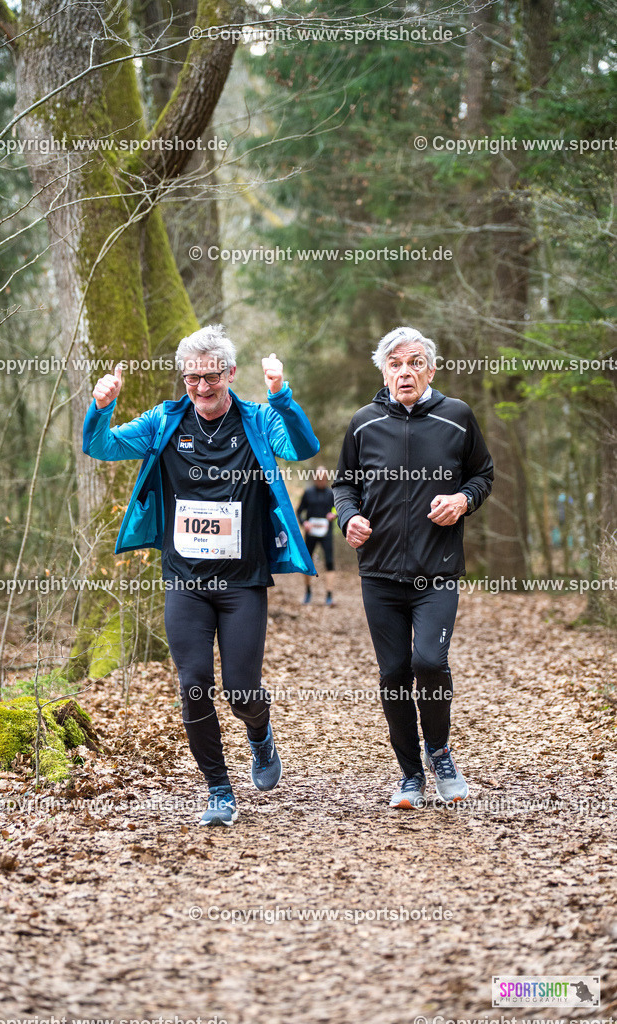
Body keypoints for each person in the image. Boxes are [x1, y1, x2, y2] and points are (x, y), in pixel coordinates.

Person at [83, 325, 319, 826]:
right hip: (186, 581)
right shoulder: (164, 422)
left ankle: (260, 734)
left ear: (230, 374)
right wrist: (101, 407)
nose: (201, 387)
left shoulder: (257, 419)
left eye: (211, 376)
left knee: (241, 689)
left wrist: (282, 396)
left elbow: (302, 447)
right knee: (193, 685)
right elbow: (101, 447)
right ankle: (218, 790)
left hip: (242, 582)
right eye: (191, 377)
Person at [333, 326, 493, 809]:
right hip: (379, 573)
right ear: (384, 371)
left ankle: (440, 753)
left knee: (429, 661)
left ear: (431, 368)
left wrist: (463, 500)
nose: (406, 371)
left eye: (415, 362)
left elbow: (482, 474)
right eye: (396, 364)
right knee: (394, 674)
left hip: (436, 571)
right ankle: (409, 775)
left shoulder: (458, 417)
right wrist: (350, 517)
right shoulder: (363, 423)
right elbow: (345, 485)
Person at [297, 465, 337, 606]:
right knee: (307, 562)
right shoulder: (308, 493)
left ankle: (329, 595)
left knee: (330, 562)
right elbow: (299, 511)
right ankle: (308, 592)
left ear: (326, 478)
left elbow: (336, 508)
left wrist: (333, 514)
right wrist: (304, 523)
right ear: (315, 478)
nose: (320, 480)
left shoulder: (331, 493)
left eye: (323, 478)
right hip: (311, 533)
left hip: (326, 532)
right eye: (318, 478)